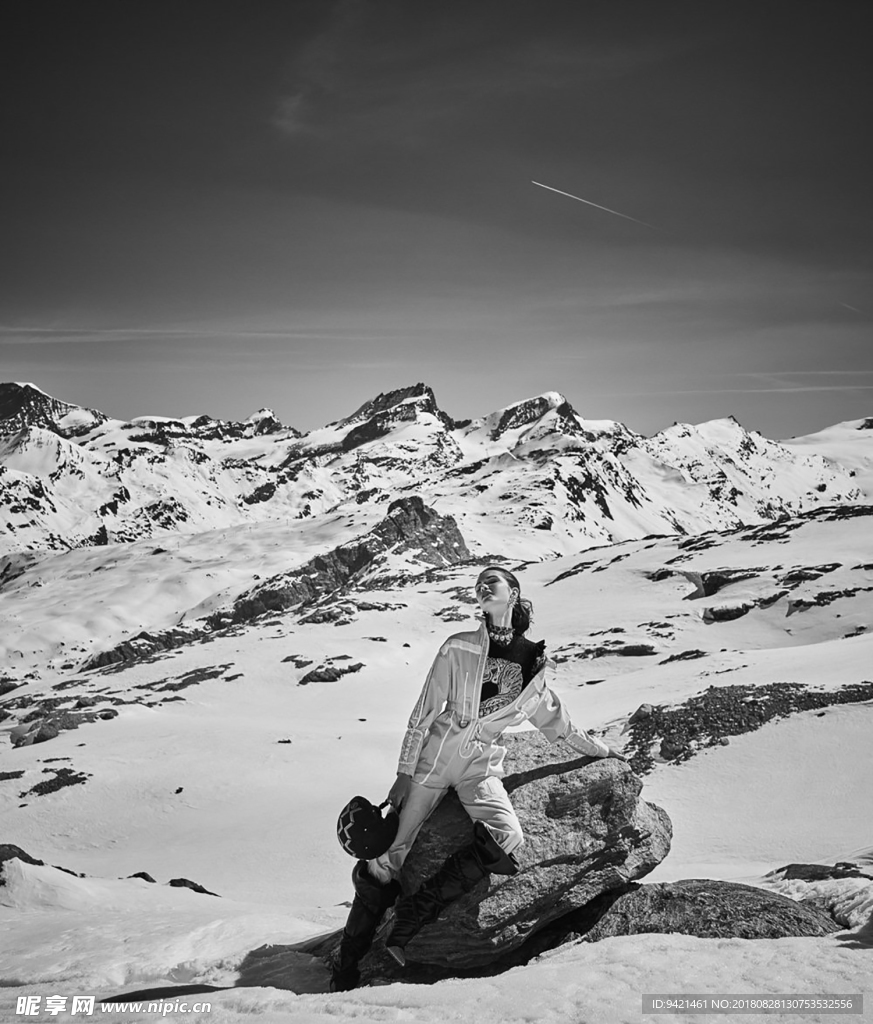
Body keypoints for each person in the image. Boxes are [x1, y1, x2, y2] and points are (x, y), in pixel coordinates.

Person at [330, 564, 628, 990]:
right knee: (384, 861)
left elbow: (559, 725)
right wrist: (402, 773)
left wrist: (602, 752)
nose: (483, 585)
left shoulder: (532, 666)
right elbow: (423, 712)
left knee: (508, 836)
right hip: (431, 765)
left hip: (478, 766)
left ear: (514, 593)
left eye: (494, 580)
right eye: (478, 584)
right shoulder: (459, 648)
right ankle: (345, 965)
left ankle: (416, 913)